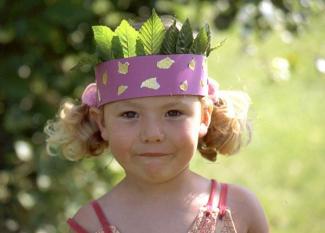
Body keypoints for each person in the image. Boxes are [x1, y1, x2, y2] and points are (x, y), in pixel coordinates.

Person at [44, 10, 268, 233]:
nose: (152, 134)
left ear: (204, 116)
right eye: (130, 115)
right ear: (102, 123)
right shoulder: (90, 224)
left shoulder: (240, 210)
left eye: (173, 113)